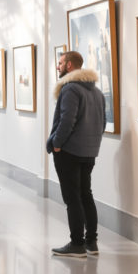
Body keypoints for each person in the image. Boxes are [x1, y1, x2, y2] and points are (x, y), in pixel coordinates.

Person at [48, 51, 105, 257]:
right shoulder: (97, 92)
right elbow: (102, 123)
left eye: (60, 62)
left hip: (69, 151)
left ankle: (77, 244)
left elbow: (66, 121)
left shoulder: (70, 89)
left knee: (72, 198)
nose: (58, 66)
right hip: (89, 152)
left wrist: (56, 143)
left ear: (70, 65)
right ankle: (91, 242)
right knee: (86, 194)